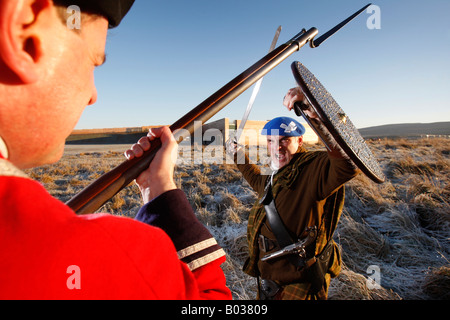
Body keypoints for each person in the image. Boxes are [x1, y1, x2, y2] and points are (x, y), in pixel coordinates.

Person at [0, 0, 231, 299]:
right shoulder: (110, 256)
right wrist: (162, 193)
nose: (93, 95)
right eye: (93, 61)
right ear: (25, 34)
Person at [227, 87, 360, 300]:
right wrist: (238, 155)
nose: (277, 148)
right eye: (271, 141)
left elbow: (346, 165)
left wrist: (313, 113)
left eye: (284, 140)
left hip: (299, 278)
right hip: (272, 275)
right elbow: (258, 182)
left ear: (299, 141)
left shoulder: (313, 168)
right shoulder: (280, 173)